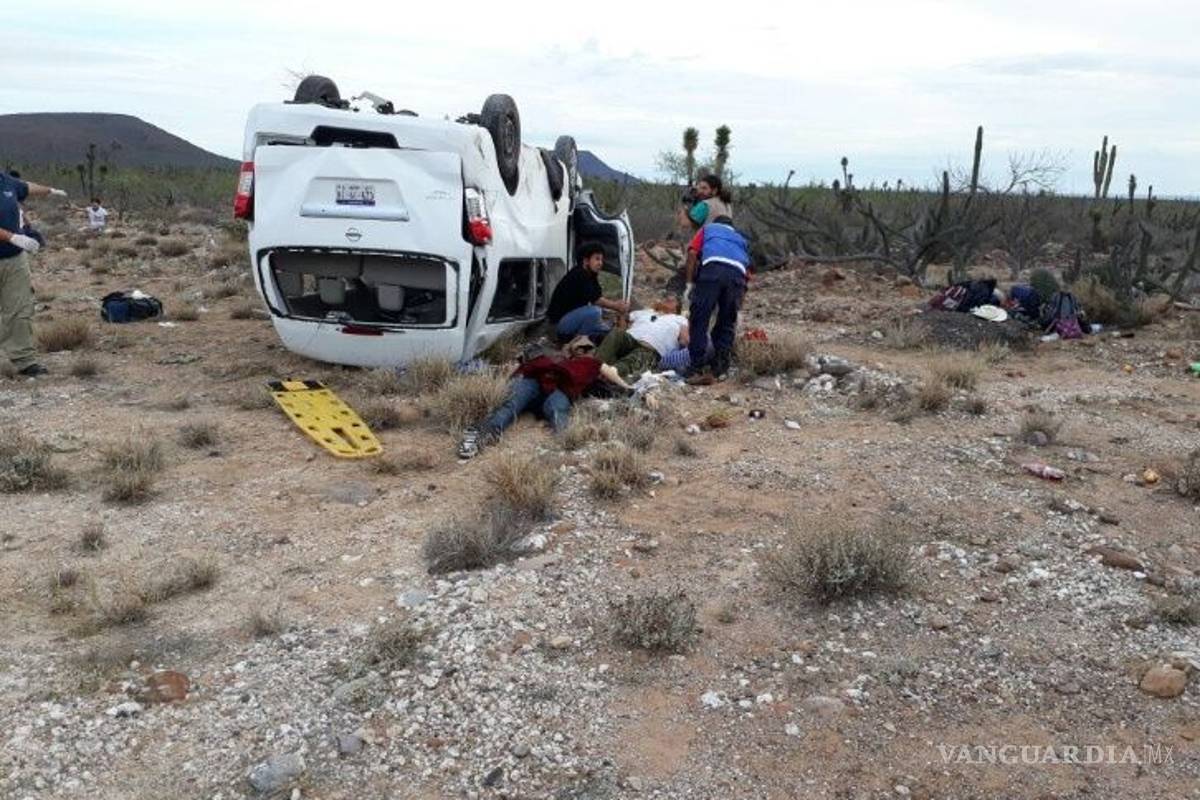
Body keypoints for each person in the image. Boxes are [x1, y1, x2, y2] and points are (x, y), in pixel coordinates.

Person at [457, 340, 606, 459]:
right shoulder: (550, 353)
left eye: (587, 349)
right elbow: (522, 368)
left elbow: (603, 374)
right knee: (513, 404)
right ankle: (485, 432)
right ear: (571, 347)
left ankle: (566, 445)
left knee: (557, 410)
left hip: (558, 389)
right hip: (533, 382)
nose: (582, 351)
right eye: (581, 348)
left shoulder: (590, 364)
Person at [1, 172, 67, 377]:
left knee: (20, 308)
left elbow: (26, 187)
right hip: (12, 244)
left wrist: (50, 190)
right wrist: (12, 237)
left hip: (14, 259)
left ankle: (24, 360)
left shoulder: (6, 181)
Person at [683, 215, 750, 383]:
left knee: (700, 316)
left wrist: (689, 283)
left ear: (716, 224)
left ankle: (696, 367)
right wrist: (738, 307)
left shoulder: (707, 229)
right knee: (727, 321)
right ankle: (720, 367)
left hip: (712, 269)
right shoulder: (741, 239)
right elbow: (747, 274)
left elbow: (692, 252)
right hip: (737, 275)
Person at [546, 242, 629, 342]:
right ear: (586, 261)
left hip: (569, 320)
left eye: (601, 260)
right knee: (594, 312)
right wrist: (616, 306)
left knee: (603, 325)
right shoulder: (579, 274)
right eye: (597, 259)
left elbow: (598, 295)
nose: (600, 263)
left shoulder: (591, 275)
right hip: (558, 326)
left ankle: (591, 336)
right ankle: (579, 339)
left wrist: (615, 305)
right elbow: (596, 300)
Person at [595, 296, 689, 381]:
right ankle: (594, 365)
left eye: (672, 301)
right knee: (616, 333)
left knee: (627, 363)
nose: (668, 299)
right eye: (666, 299)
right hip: (630, 340)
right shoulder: (645, 312)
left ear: (677, 308)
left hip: (649, 349)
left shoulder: (680, 319)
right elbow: (623, 327)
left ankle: (605, 376)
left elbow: (685, 340)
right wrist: (622, 315)